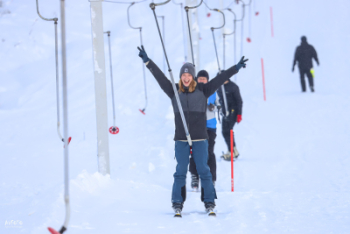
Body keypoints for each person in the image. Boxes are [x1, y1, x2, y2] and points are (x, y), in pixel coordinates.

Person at [137, 46, 248, 216]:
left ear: (193, 77)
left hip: (200, 138)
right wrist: (147, 61)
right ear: (181, 77)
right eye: (184, 75)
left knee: (204, 170)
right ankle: (177, 202)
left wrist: (235, 68)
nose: (186, 78)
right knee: (180, 170)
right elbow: (160, 77)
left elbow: (220, 79)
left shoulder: (203, 90)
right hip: (181, 138)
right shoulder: (174, 90)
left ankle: (209, 201)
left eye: (189, 75)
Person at [189, 70, 219, 191]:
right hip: (196, 125)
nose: (202, 81)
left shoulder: (213, 90)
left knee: (209, 152)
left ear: (207, 80)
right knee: (194, 151)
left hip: (210, 125)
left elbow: (219, 104)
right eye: (200, 79)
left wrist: (214, 107)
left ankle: (211, 178)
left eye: (204, 79)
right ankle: (195, 175)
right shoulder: (192, 90)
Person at [217, 78, 243, 161]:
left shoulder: (233, 87)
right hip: (225, 112)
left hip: (233, 111)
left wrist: (239, 114)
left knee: (228, 130)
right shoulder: (219, 87)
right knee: (224, 131)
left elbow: (239, 101)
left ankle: (232, 151)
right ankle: (233, 150)